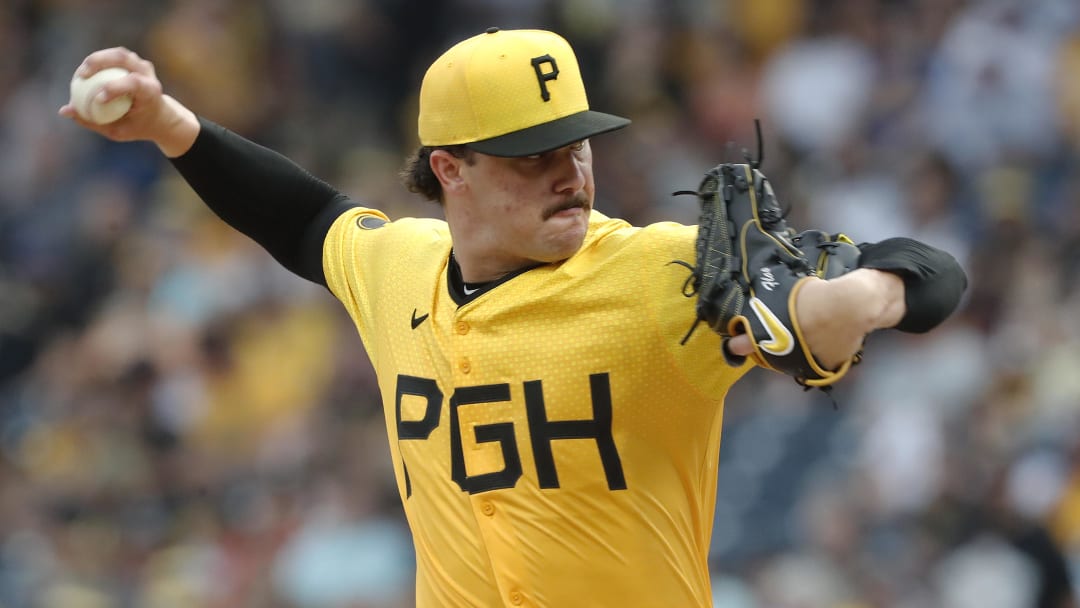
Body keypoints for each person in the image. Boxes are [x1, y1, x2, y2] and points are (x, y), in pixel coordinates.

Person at [60, 28, 959, 608]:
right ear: (451, 170)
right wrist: (171, 124)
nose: (571, 170)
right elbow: (301, 217)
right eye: (535, 155)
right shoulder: (400, 266)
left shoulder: (660, 269)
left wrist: (856, 301)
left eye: (577, 144)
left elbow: (934, 273)